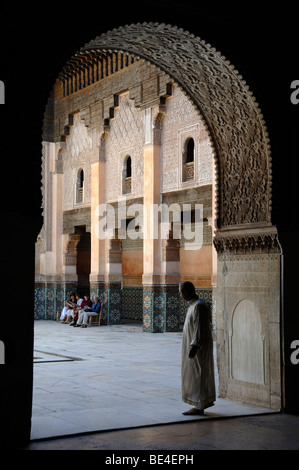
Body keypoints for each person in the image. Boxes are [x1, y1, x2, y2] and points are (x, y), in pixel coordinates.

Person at [179, 281, 216, 415]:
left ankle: (200, 405)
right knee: (195, 374)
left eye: (181, 292)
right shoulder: (194, 305)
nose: (181, 295)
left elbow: (200, 328)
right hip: (194, 345)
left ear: (186, 292)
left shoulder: (199, 306)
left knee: (199, 374)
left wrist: (195, 345)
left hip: (198, 347)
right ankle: (200, 403)